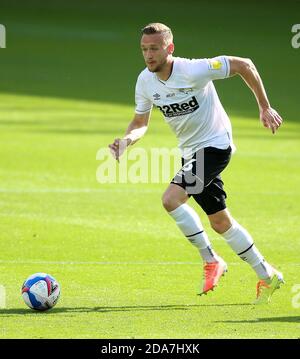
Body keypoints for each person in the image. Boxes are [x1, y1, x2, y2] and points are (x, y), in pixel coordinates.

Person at [109, 22, 284, 304]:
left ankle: (211, 259)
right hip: (191, 153)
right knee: (219, 222)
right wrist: (127, 139)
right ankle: (267, 275)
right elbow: (141, 122)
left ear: (170, 48)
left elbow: (244, 65)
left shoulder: (193, 69)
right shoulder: (145, 81)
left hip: (215, 146)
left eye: (154, 48)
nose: (149, 54)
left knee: (171, 199)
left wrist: (264, 106)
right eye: (144, 49)